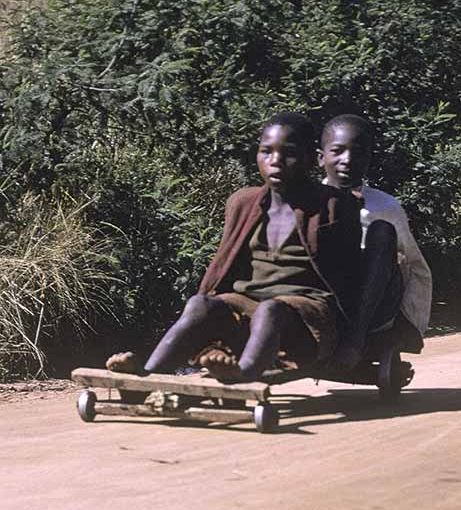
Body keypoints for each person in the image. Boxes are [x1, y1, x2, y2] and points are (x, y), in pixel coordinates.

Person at [106, 112, 363, 382]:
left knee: (271, 310)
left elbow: (352, 277)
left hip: (307, 314)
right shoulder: (243, 203)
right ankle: (147, 374)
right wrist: (208, 307)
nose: (275, 161)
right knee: (199, 305)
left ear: (311, 159)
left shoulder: (335, 205)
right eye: (266, 152)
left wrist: (353, 340)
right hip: (247, 304)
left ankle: (242, 375)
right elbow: (224, 262)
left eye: (289, 153)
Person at [319, 114, 432, 369]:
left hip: (372, 304)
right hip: (325, 299)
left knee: (382, 232)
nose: (347, 160)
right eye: (337, 151)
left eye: (358, 153)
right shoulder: (307, 201)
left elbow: (414, 266)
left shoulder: (384, 205)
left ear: (369, 159)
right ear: (320, 157)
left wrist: (409, 325)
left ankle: (355, 339)